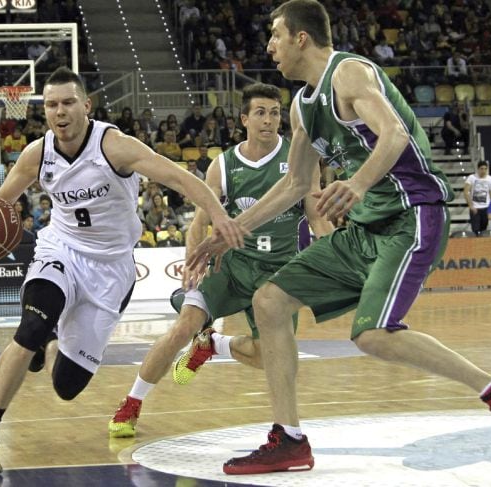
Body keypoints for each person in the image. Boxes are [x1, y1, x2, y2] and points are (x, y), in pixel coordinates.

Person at [188, 0, 491, 475]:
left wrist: (356, 183)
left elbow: (392, 134)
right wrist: (230, 231)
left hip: (411, 217)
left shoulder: (348, 73)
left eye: (275, 35)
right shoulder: (302, 106)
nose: (268, 46)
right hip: (366, 229)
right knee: (269, 302)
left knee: (372, 335)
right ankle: (289, 439)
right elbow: (294, 184)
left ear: (301, 38)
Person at [0, 67, 246, 477]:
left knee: (66, 386)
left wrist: (218, 216)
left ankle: (50, 342)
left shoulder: (115, 146)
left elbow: (179, 177)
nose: (60, 111)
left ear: (86, 106)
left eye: (68, 102)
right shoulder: (38, 153)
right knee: (30, 328)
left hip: (110, 269)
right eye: (51, 104)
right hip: (61, 250)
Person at [109, 82, 332, 438]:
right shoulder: (224, 166)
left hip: (278, 274)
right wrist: (191, 269)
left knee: (272, 359)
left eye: (275, 113)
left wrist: (334, 251)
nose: (269, 120)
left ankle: (213, 344)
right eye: (260, 112)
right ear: (244, 118)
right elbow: (199, 222)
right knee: (183, 326)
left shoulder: (299, 160)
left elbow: (318, 216)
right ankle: (131, 404)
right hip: (230, 267)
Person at [464, 161, 491, 236]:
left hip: (486, 207)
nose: (483, 171)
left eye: (485, 169)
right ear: (478, 169)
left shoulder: (490, 179)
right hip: (475, 207)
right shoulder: (472, 178)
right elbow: (466, 192)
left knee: (484, 230)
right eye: (481, 169)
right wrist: (471, 206)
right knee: (475, 230)